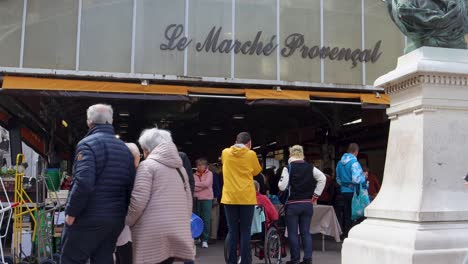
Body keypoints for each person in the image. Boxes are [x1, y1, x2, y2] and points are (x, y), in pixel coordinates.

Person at [61, 104, 135, 264]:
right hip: (115, 220)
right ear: (111, 121)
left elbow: (83, 183)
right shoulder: (124, 149)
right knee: (103, 259)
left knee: (71, 258)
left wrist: (71, 213)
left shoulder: (87, 145)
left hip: (88, 218)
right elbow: (131, 185)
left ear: (89, 122)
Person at [126, 128, 194, 264]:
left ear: (147, 149)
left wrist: (127, 222)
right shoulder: (180, 169)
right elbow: (188, 200)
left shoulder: (147, 166)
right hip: (175, 231)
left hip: (151, 233)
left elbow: (138, 201)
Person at [278, 145, 326, 264]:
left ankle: (295, 260)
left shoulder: (288, 168)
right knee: (305, 232)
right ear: (302, 154)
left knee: (293, 234)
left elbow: (281, 186)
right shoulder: (311, 168)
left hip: (293, 205)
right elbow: (323, 178)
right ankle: (307, 259)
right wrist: (315, 195)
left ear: (290, 155)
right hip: (307, 205)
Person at [222, 132, 262, 264]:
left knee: (233, 230)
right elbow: (256, 171)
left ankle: (232, 261)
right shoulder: (251, 154)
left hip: (229, 197)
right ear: (249, 143)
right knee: (245, 231)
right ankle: (245, 261)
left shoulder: (225, 153)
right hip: (246, 197)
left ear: (235, 141)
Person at [115, 143, 141, 264]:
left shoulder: (115, 170)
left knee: (121, 252)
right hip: (129, 222)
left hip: (117, 221)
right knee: (127, 254)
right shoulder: (135, 174)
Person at [335, 143, 366, 238]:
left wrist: (345, 184)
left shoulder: (339, 163)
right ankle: (355, 235)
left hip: (344, 192)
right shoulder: (354, 163)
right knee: (357, 214)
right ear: (356, 152)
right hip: (354, 193)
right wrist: (363, 177)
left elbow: (338, 180)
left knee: (346, 213)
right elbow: (356, 179)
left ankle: (345, 234)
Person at [194, 158, 214, 248]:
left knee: (206, 219)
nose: (200, 166)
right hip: (197, 199)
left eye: (202, 165)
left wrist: (197, 185)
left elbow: (207, 184)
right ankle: (196, 237)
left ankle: (205, 239)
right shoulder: (193, 175)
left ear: (205, 166)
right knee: (197, 219)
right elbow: (193, 187)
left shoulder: (210, 174)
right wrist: (202, 186)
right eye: (198, 165)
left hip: (207, 199)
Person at [210, 164, 222, 243]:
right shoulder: (217, 176)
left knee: (213, 218)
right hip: (217, 198)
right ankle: (213, 236)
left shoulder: (213, 176)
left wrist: (215, 197)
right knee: (214, 218)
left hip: (214, 198)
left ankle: (213, 236)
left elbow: (217, 188)